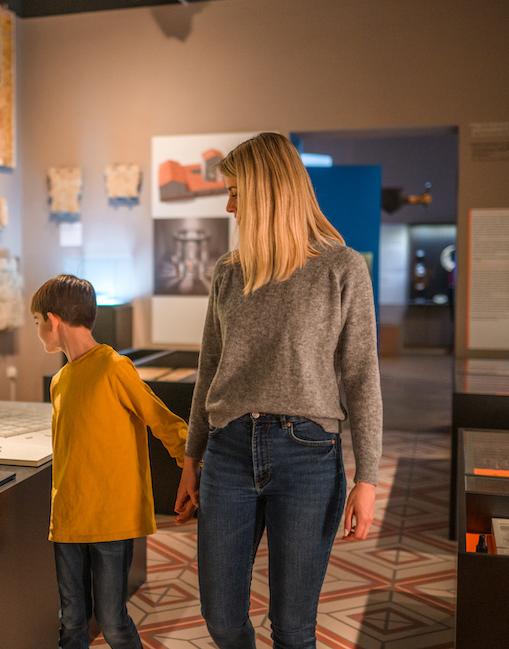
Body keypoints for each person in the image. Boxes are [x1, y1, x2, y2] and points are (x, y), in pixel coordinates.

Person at [175, 133, 382, 649]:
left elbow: (361, 376)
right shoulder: (228, 271)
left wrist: (369, 478)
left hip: (309, 456)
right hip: (228, 452)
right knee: (221, 618)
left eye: (235, 192)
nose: (228, 204)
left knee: (292, 629)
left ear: (268, 191)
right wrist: (190, 457)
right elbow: (209, 368)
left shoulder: (342, 267)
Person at [32, 275, 196, 649]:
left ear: (54, 320)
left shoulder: (113, 367)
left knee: (112, 620)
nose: (38, 330)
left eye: (38, 321)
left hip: (111, 518)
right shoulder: (59, 381)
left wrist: (193, 465)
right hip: (69, 520)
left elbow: (161, 420)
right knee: (71, 621)